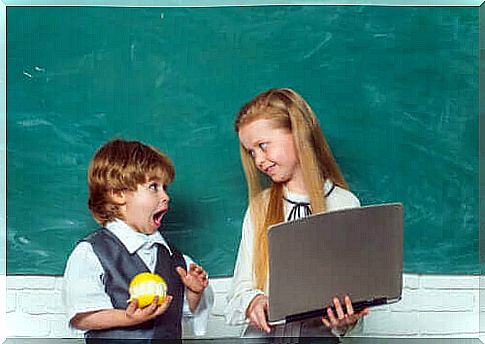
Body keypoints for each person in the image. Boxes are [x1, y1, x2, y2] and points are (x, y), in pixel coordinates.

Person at [224, 88, 369, 338]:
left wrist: (346, 319)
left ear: (297, 133)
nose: (258, 160)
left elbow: (352, 297)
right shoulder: (260, 207)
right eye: (252, 152)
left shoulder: (345, 204)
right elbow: (241, 287)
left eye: (263, 145)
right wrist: (253, 301)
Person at [62, 139, 213, 341]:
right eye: (153, 187)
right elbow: (82, 316)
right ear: (118, 193)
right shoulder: (91, 253)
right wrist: (128, 318)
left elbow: (182, 316)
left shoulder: (178, 261)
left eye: (164, 187)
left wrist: (194, 293)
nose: (166, 196)